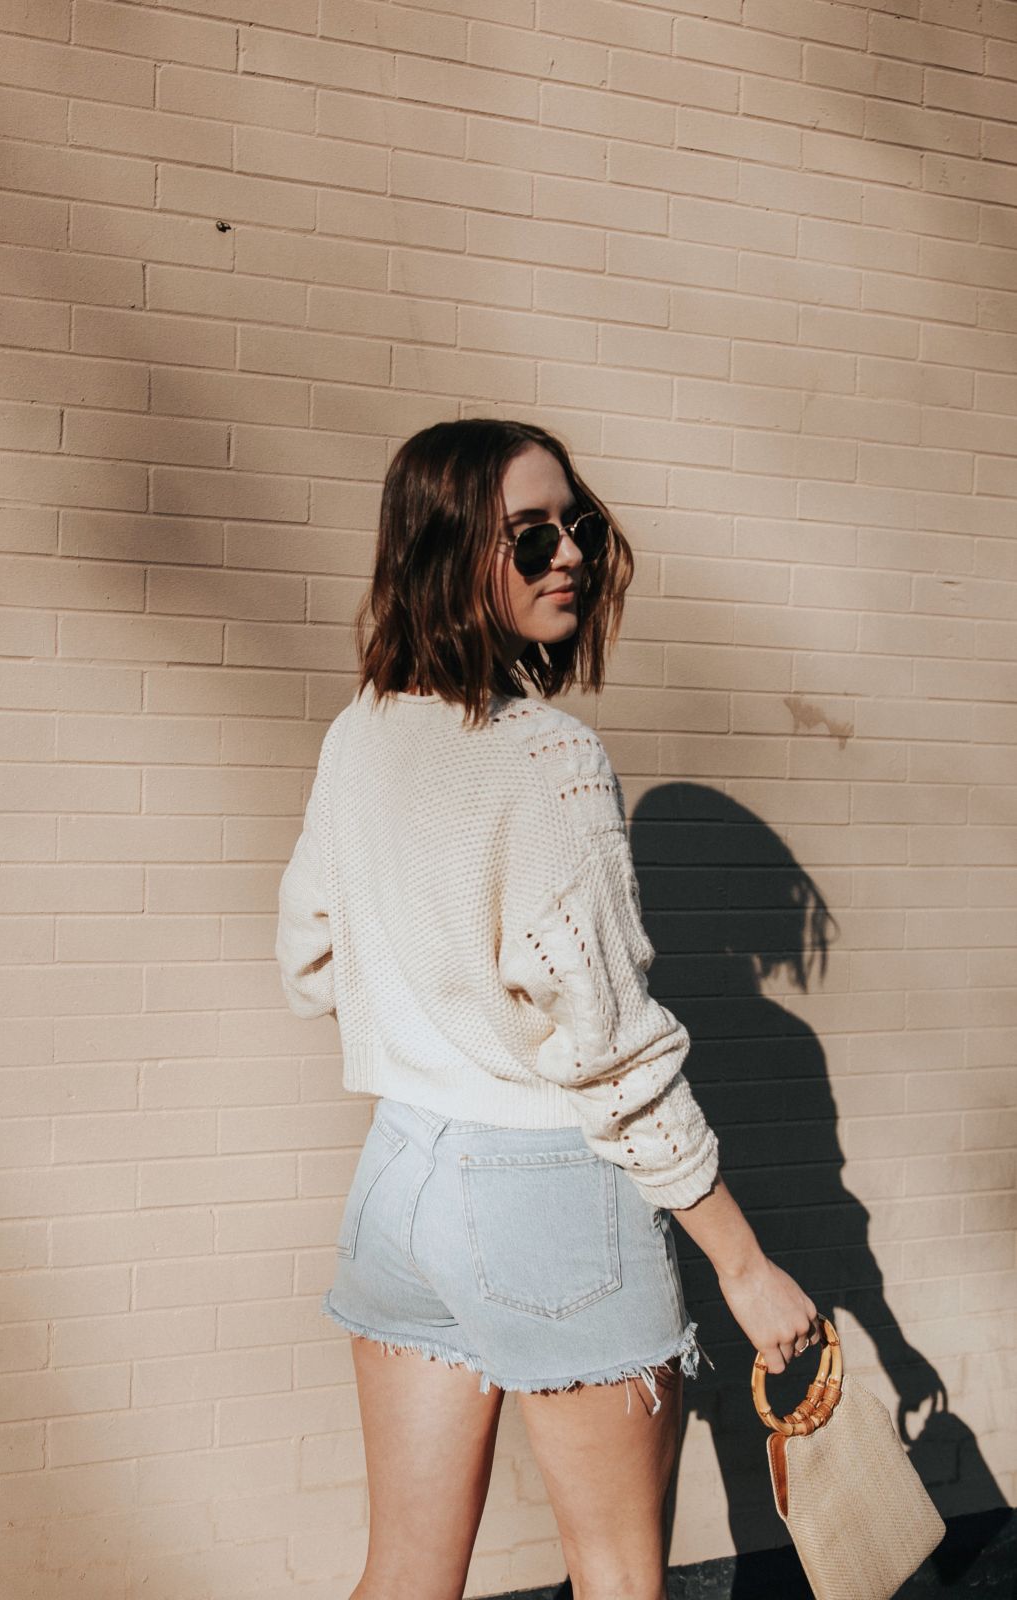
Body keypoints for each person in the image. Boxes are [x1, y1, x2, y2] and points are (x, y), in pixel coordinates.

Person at [276, 418, 819, 1600]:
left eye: (578, 526)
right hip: (545, 1193)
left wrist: (438, 1019)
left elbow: (311, 961)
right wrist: (742, 1266)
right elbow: (616, 1059)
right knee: (620, 1577)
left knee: (405, 1573)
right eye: (531, 536)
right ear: (448, 552)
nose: (568, 554)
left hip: (400, 1177)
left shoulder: (358, 731)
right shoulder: (549, 760)